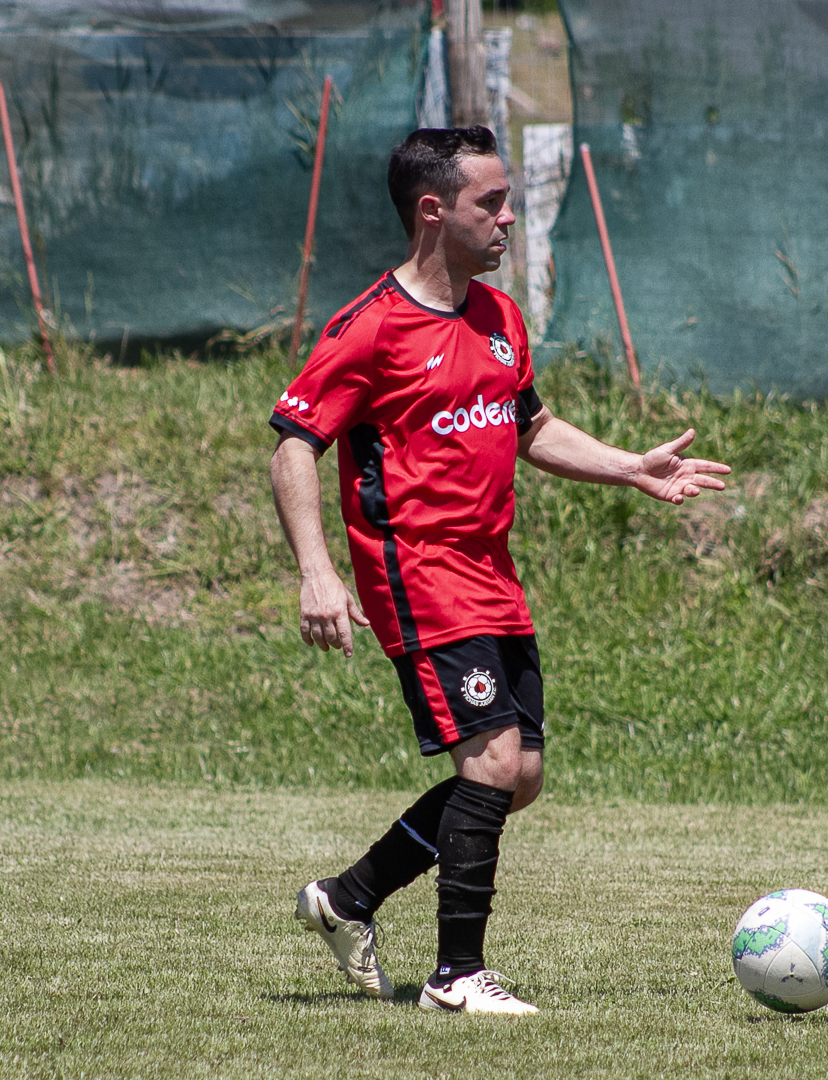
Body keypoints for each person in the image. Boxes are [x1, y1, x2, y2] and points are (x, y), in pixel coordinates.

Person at [269, 126, 730, 1015]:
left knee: (518, 779)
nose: (509, 218)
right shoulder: (370, 327)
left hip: (493, 577)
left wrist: (630, 467)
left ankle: (349, 897)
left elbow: (531, 427)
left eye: (508, 200)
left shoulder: (499, 317)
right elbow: (295, 443)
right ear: (433, 212)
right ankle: (457, 977)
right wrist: (316, 572)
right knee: (490, 762)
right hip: (418, 574)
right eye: (492, 202)